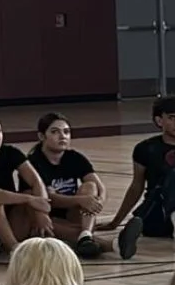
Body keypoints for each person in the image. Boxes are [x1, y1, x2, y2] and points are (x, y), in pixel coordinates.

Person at [100, 95, 175, 254]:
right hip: (160, 214)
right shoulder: (145, 149)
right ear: (159, 121)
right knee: (174, 175)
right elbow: (136, 186)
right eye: (172, 118)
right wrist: (116, 221)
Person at [27, 112, 141, 261]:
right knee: (43, 218)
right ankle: (110, 244)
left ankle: (86, 235)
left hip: (76, 215)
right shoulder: (34, 162)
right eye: (55, 132)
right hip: (47, 217)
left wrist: (98, 202)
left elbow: (100, 187)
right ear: (42, 136)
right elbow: (46, 199)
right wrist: (80, 201)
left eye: (66, 132)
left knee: (90, 187)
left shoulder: (74, 157)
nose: (62, 136)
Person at [0, 111, 54, 256]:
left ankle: (84, 239)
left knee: (30, 193)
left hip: (11, 223)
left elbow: (36, 181)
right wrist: (30, 199)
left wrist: (42, 212)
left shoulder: (10, 153)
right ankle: (15, 249)